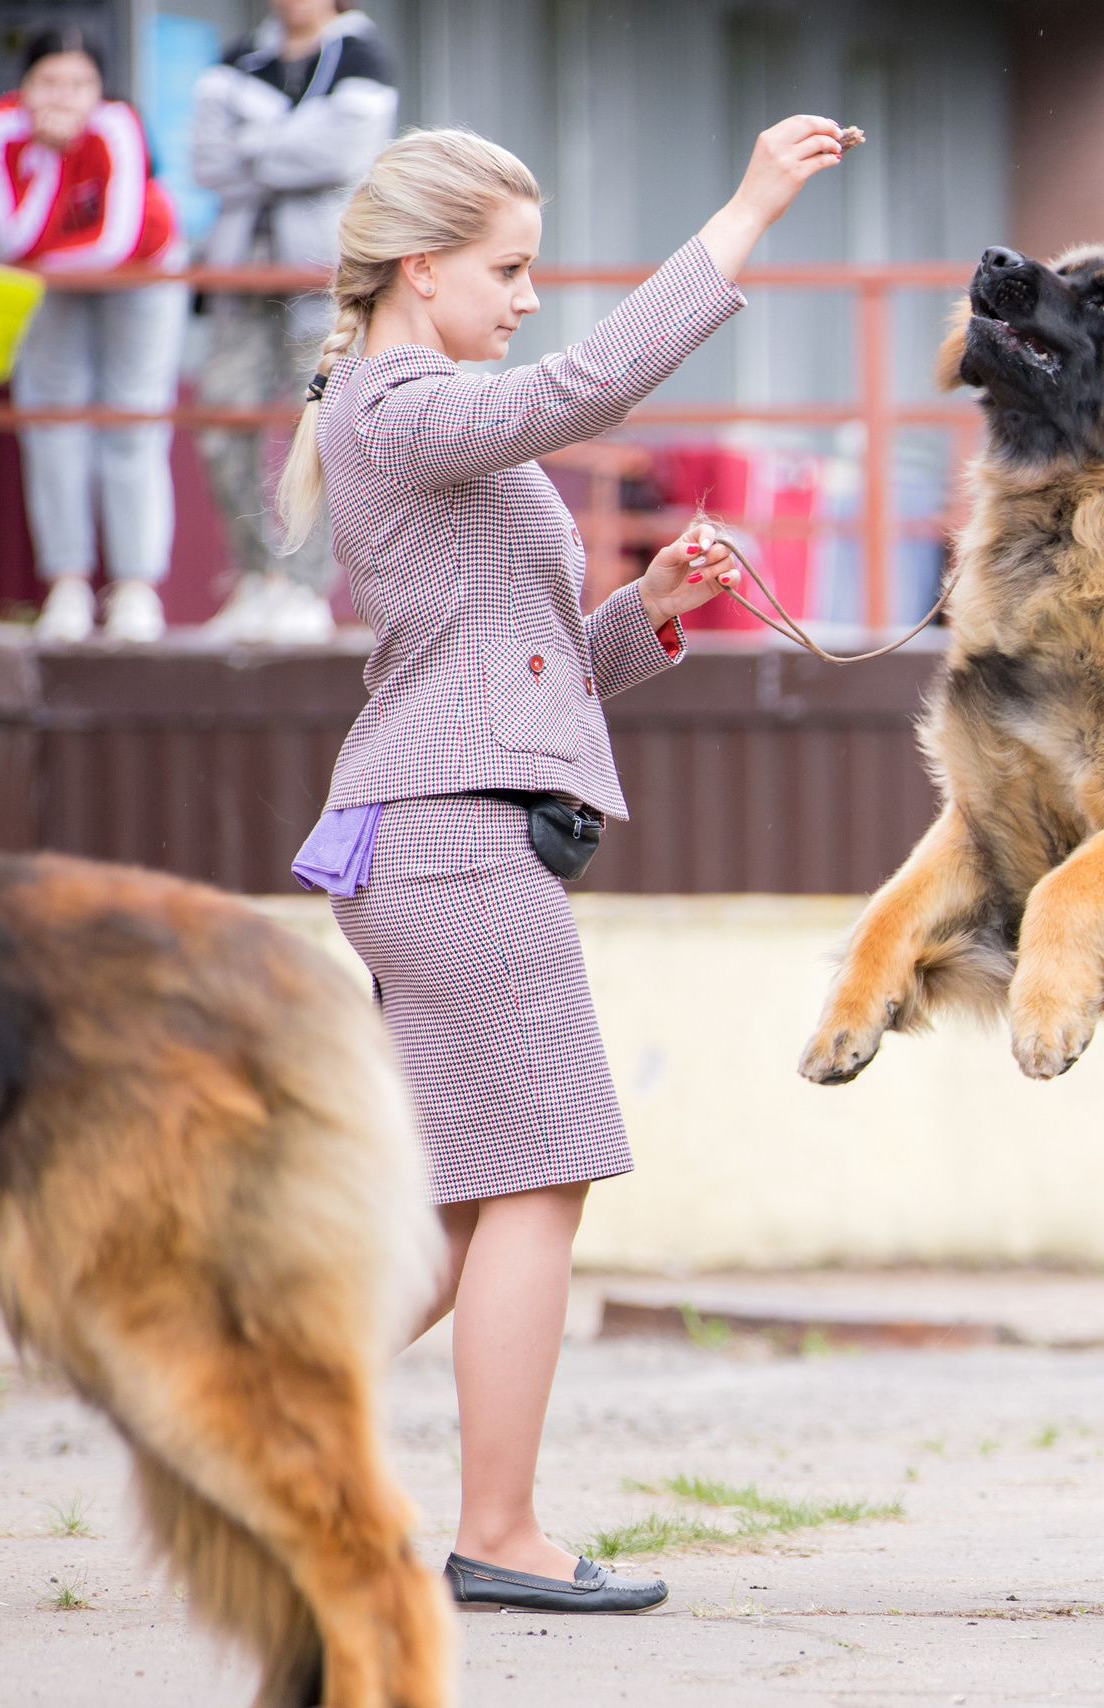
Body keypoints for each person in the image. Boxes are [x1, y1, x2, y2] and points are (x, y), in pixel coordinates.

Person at [281, 118, 849, 1614]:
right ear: (422, 270)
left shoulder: (408, 409)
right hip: (455, 845)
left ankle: (252, 1399)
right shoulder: (400, 402)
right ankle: (501, 1533)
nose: (528, 295)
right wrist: (745, 212)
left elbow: (527, 683)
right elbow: (588, 387)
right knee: (537, 1184)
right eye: (508, 267)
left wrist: (652, 606)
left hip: (444, 827)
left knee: (469, 1213)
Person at [0, 27, 185, 644]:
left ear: (100, 89)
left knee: (132, 420)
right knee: (52, 419)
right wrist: (48, 158)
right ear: (24, 87)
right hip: (52, 279)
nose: (63, 96)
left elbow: (115, 243)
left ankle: (136, 588)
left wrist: (41, 261)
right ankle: (65, 582)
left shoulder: (118, 125)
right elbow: (12, 238)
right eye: (48, 81)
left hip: (144, 270)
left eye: (78, 83)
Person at [192, 1, 396, 642]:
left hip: (323, 279)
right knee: (222, 425)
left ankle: (306, 589)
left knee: (323, 430)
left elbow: (343, 157)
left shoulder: (363, 57)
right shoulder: (235, 60)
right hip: (239, 275)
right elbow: (207, 162)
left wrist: (253, 145)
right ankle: (257, 579)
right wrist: (293, 146)